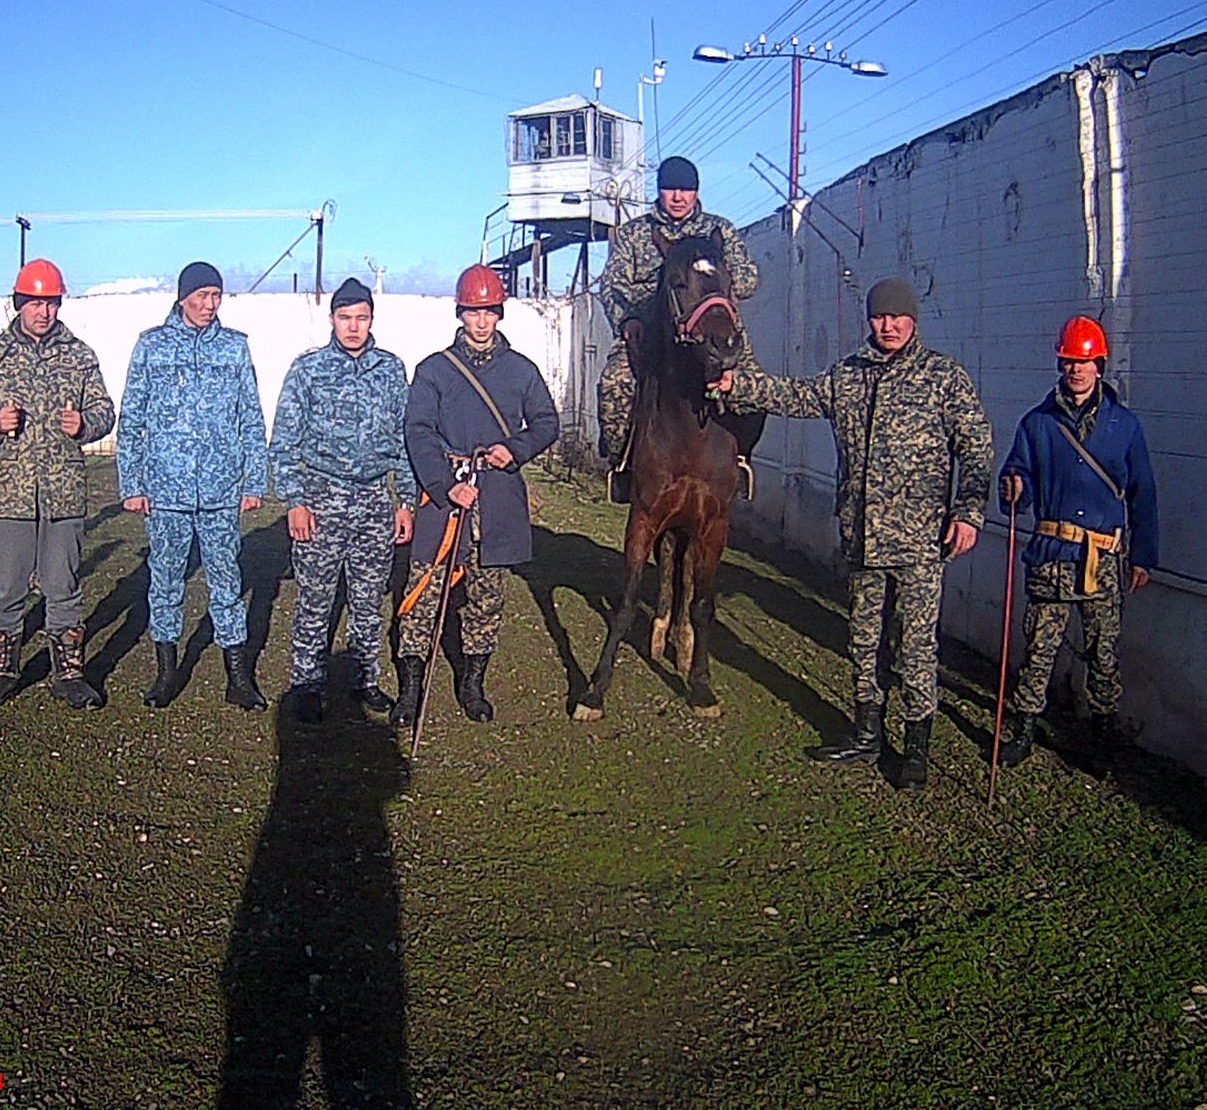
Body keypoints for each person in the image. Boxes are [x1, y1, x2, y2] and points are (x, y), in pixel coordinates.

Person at [714, 278, 994, 790]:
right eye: (879, 317)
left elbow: (976, 451)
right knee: (863, 642)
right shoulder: (849, 376)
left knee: (916, 647)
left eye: (897, 317)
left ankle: (915, 747)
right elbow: (794, 395)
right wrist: (739, 384)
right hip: (863, 537)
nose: (888, 326)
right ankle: (866, 733)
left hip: (920, 543)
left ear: (913, 320)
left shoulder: (942, 378)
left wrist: (969, 512)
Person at [393, 263, 559, 727]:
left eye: (489, 311)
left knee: (488, 597)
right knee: (423, 589)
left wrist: (515, 449)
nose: (481, 321)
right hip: (445, 497)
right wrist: (445, 486)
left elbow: (547, 423)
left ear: (499, 313)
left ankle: (472, 684)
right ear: (460, 313)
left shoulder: (522, 370)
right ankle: (410, 688)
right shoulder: (434, 371)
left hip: (500, 495)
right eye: (473, 312)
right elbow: (418, 430)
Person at [995, 315, 1158, 769]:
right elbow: (1017, 474)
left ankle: (1101, 740)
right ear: (1059, 365)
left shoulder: (1124, 426)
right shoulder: (1036, 424)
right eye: (1069, 362)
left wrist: (1142, 555)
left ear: (1099, 366)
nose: (1076, 371)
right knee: (1039, 649)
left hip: (1103, 561)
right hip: (1052, 556)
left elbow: (1143, 492)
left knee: (1103, 653)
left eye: (1085, 362)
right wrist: (1013, 487)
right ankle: (1023, 729)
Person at [0, 258, 116, 709]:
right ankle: (1, 670)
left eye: (51, 303)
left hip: (63, 492)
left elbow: (105, 410)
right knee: (5, 587)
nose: (44, 312)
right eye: (35, 303)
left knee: (63, 584)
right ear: (19, 303)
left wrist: (84, 423)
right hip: (8, 494)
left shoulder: (79, 355)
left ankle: (69, 673)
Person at [116, 261, 270, 710]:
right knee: (165, 580)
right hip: (166, 489)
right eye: (201, 296)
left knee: (226, 579)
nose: (209, 305)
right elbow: (133, 419)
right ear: (183, 297)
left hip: (221, 490)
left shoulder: (234, 349)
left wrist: (253, 481)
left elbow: (251, 418)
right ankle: (166, 672)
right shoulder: (152, 346)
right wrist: (132, 483)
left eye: (216, 296)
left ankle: (237, 677)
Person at [269, 278, 416, 723]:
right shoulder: (308, 370)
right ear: (332, 319)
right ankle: (307, 683)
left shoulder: (391, 370)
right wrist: (294, 499)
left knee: (369, 597)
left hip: (374, 499)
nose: (353, 327)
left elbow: (404, 441)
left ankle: (363, 680)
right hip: (320, 497)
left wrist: (405, 501)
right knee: (315, 596)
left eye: (362, 317)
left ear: (372, 319)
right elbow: (284, 441)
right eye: (345, 317)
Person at [598, 155, 762, 472]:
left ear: (696, 192)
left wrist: (719, 281)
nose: (677, 197)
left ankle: (740, 459)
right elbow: (612, 285)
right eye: (670, 189)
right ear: (659, 191)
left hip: (712, 331)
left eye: (685, 190)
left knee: (754, 387)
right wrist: (627, 319)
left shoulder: (721, 231)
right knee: (613, 384)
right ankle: (621, 465)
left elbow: (749, 279)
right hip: (650, 330)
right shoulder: (635, 234)